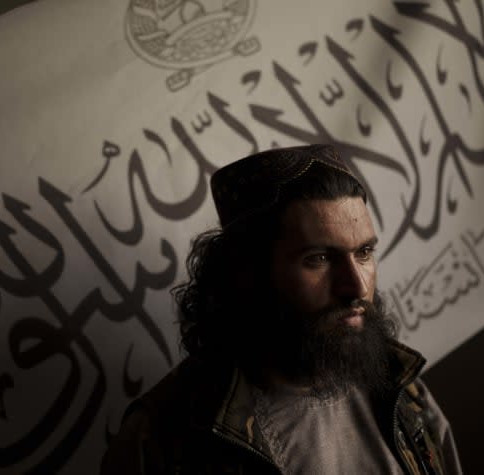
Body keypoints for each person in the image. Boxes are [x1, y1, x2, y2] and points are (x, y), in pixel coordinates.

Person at [101, 144, 462, 474]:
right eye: (319, 259)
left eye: (364, 253)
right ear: (247, 272)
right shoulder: (164, 438)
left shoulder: (404, 398)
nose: (357, 286)